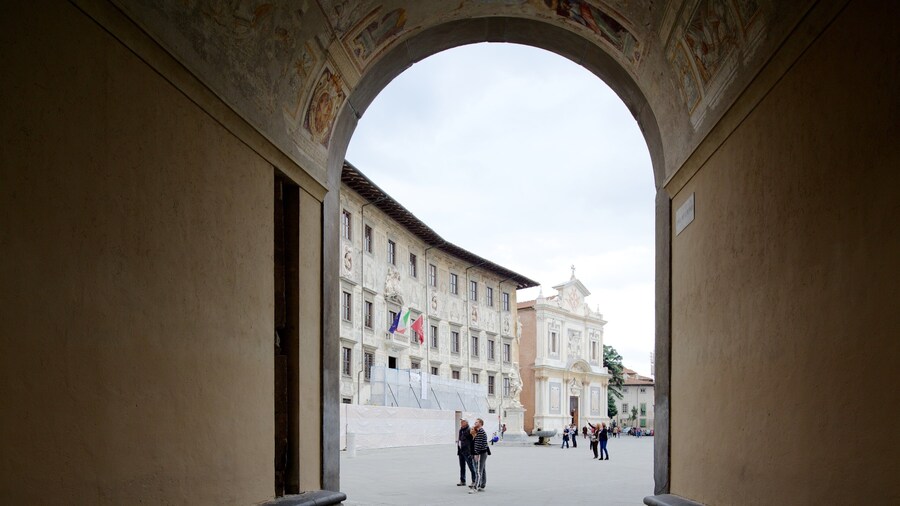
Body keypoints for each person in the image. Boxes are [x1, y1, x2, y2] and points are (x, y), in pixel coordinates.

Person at [469, 418, 489, 493]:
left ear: (480, 423)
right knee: (482, 469)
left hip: (480, 453)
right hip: (483, 453)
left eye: (476, 422)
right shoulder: (479, 431)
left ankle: (475, 487)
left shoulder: (480, 432)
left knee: (478, 470)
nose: (475, 423)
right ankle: (482, 485)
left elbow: (478, 444)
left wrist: (476, 454)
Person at [456, 419, 475, 486]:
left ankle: (474, 481)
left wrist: (471, 451)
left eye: (463, 422)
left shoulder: (469, 430)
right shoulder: (461, 430)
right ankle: (462, 480)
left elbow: (473, 439)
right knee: (462, 466)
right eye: (461, 421)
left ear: (466, 423)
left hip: (467, 451)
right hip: (461, 451)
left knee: (471, 466)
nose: (461, 423)